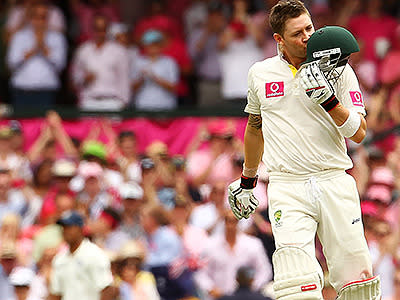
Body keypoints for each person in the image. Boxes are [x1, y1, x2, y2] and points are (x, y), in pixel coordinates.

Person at [227, 1, 381, 299]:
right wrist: (248, 181)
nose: (308, 37)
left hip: (333, 179)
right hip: (288, 185)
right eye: (298, 33)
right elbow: (255, 128)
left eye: (310, 28)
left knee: (357, 284)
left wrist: (329, 102)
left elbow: (359, 133)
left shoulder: (340, 69)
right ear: (278, 39)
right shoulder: (261, 73)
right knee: (296, 284)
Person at [48, 210, 114, 300]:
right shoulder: (59, 259)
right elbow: (56, 293)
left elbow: (107, 290)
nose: (65, 231)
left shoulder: (94, 254)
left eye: (69, 227)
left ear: (80, 229)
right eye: (63, 227)